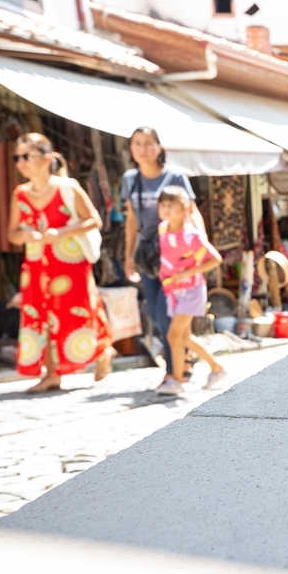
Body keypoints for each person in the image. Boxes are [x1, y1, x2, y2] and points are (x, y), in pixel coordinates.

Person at [6, 133, 115, 392]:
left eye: (26, 156)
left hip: (69, 263)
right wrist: (24, 235)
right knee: (38, 315)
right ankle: (51, 374)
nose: (21, 162)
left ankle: (101, 351)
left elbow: (94, 220)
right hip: (35, 265)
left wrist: (62, 232)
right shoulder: (20, 193)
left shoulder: (67, 187)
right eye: (17, 157)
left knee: (76, 312)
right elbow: (11, 233)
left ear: (46, 158)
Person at [121, 126, 204, 391]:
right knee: (156, 315)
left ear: (159, 147)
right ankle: (183, 359)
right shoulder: (130, 179)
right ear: (131, 149)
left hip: (175, 254)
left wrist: (199, 243)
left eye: (148, 143)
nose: (142, 149)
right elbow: (132, 220)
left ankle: (173, 372)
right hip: (148, 255)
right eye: (137, 143)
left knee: (163, 313)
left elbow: (191, 211)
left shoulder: (174, 176)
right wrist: (128, 256)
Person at [155, 186, 226, 395]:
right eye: (163, 205)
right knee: (183, 337)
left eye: (171, 204)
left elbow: (215, 259)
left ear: (185, 208)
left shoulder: (191, 236)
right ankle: (216, 368)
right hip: (173, 291)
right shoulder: (162, 229)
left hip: (192, 290)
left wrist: (187, 273)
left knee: (173, 335)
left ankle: (177, 380)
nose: (166, 209)